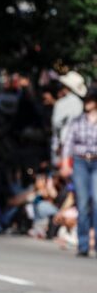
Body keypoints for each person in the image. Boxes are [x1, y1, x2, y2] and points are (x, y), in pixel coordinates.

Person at [60, 89, 97, 257]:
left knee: (96, 201)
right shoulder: (77, 121)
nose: (87, 102)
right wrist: (66, 164)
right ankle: (83, 245)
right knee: (82, 203)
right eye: (86, 99)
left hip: (96, 161)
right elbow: (68, 144)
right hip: (81, 162)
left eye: (90, 99)